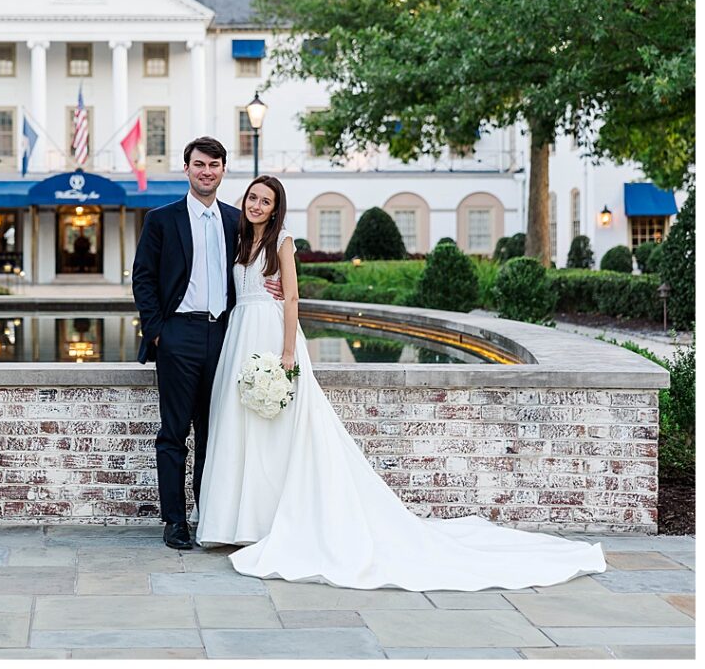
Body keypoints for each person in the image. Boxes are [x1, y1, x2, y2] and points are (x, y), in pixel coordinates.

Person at [197, 174, 607, 589]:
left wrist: (287, 353)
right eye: (252, 198)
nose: (256, 205)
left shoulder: (282, 240)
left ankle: (272, 520)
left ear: (275, 207)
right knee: (242, 427)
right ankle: (239, 522)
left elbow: (291, 298)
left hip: (270, 331)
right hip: (240, 334)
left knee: (279, 432)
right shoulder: (238, 237)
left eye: (265, 201)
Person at [131, 136, 247, 552]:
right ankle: (175, 521)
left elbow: (254, 268)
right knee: (174, 433)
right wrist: (158, 330)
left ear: (222, 170)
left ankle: (209, 516)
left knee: (215, 432)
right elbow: (143, 277)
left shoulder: (236, 221)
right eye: (199, 164)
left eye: (214, 165)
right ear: (186, 168)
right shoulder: (161, 219)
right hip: (178, 334)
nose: (206, 172)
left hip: (224, 336)